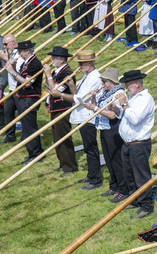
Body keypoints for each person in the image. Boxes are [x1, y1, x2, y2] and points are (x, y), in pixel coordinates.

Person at [118, 69, 156, 220]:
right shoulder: (133, 97)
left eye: (127, 83)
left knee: (141, 176)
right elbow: (125, 116)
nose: (126, 86)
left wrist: (124, 105)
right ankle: (134, 199)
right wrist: (118, 107)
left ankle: (146, 205)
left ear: (136, 84)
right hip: (128, 143)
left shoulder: (145, 99)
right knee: (129, 175)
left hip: (139, 144)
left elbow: (135, 119)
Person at [85, 67, 127, 199]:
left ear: (111, 81)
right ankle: (113, 186)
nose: (103, 84)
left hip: (113, 129)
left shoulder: (118, 93)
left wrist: (95, 107)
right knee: (108, 160)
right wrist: (93, 100)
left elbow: (113, 115)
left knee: (116, 160)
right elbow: (97, 108)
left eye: (104, 81)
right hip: (104, 129)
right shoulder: (105, 92)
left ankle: (122, 188)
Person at [70, 50, 104, 190]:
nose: (79, 66)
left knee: (91, 148)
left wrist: (62, 94)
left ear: (89, 63)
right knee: (87, 147)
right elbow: (78, 95)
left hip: (89, 116)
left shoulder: (95, 77)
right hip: (83, 115)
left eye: (81, 63)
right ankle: (91, 175)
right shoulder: (87, 76)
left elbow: (81, 98)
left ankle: (96, 179)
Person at [44, 46, 78, 177]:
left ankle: (70, 167)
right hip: (55, 108)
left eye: (55, 57)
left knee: (63, 138)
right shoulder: (56, 71)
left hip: (63, 109)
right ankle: (63, 163)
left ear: (62, 60)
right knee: (57, 137)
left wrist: (48, 76)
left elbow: (56, 91)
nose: (51, 59)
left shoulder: (66, 73)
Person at [9, 39, 44, 163]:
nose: (19, 54)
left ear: (27, 51)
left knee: (30, 127)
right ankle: (33, 152)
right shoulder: (27, 62)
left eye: (20, 52)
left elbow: (28, 83)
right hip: (24, 96)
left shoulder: (34, 63)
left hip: (30, 97)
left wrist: (12, 72)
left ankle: (35, 154)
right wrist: (13, 66)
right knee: (27, 126)